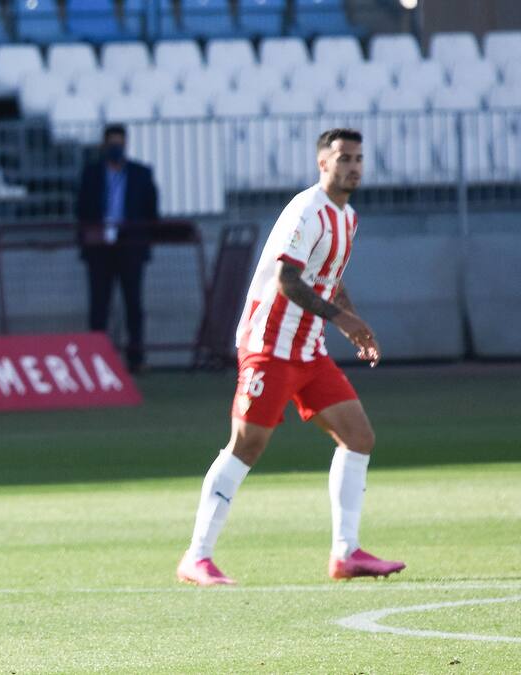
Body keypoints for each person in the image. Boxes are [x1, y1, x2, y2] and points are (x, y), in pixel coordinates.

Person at [176, 128, 406, 586]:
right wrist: (343, 320)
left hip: (308, 349)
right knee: (247, 445)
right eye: (343, 158)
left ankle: (346, 553)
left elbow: (329, 276)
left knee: (358, 437)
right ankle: (196, 557)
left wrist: (352, 321)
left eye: (358, 158)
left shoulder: (348, 217)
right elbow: (288, 280)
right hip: (269, 345)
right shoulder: (307, 210)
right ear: (323, 163)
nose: (353, 166)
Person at [75, 123, 159, 372]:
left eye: (119, 144)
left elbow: (150, 209)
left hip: (130, 246)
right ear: (104, 145)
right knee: (99, 304)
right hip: (99, 248)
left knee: (133, 302)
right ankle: (98, 360)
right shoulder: (91, 174)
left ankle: (136, 358)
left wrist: (142, 238)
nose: (116, 148)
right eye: (112, 144)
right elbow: (81, 209)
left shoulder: (141, 174)